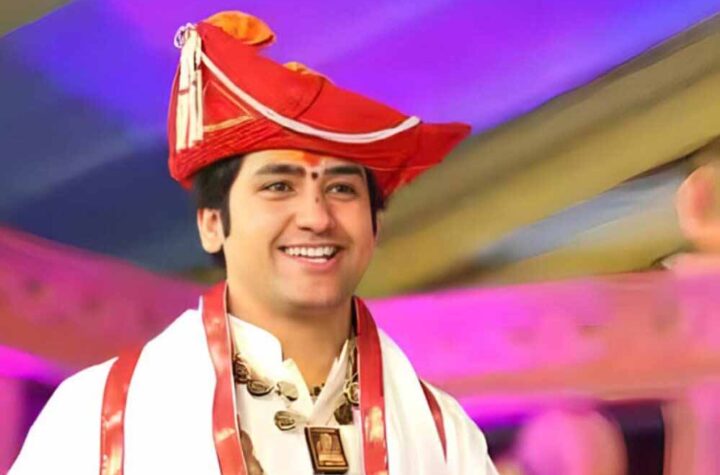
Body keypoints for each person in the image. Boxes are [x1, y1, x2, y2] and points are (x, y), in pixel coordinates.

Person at [10, 11, 498, 475]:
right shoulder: (102, 416)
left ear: (376, 224)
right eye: (279, 186)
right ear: (211, 224)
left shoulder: (443, 434)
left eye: (341, 189)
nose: (316, 217)